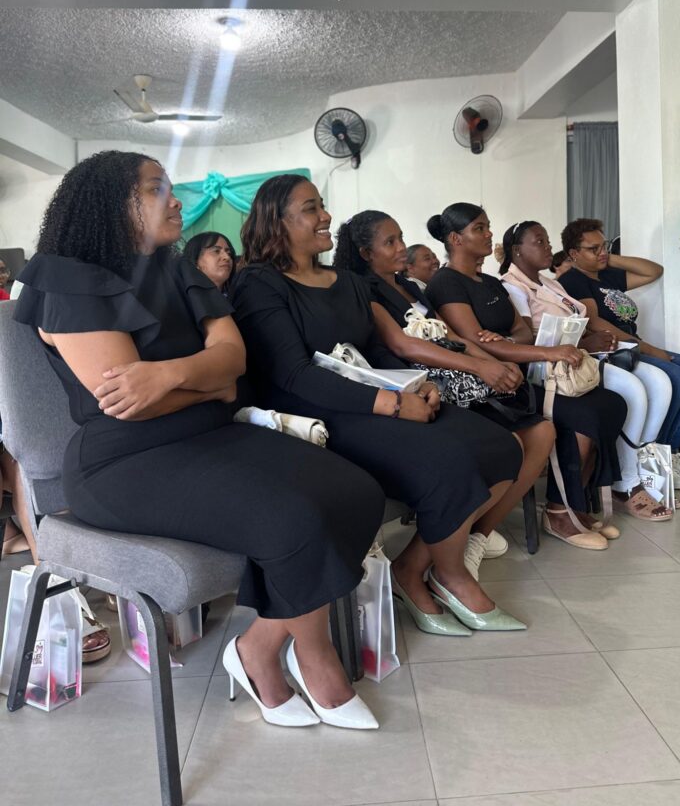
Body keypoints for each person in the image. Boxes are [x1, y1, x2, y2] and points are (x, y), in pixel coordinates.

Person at [15, 151, 384, 730]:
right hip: (123, 460)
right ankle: (315, 658)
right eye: (156, 187)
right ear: (111, 202)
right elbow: (132, 404)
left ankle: (257, 647)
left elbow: (233, 360)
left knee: (357, 490)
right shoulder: (66, 277)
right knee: (290, 518)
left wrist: (169, 374)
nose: (177, 199)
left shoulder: (174, 266)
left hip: (212, 433)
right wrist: (209, 385)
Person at [232, 174, 538, 636]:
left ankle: (413, 568)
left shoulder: (348, 283)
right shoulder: (259, 283)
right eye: (311, 208)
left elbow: (375, 351)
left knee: (501, 447)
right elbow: (293, 374)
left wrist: (417, 385)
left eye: (322, 205)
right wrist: (391, 405)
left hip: (376, 396)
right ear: (276, 221)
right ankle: (452, 575)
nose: (326, 216)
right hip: (317, 413)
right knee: (448, 460)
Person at [331, 209, 556, 576]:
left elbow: (449, 335)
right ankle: (450, 541)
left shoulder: (409, 285)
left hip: (458, 373)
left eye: (401, 238)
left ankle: (478, 534)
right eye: (391, 242)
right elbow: (403, 345)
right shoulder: (365, 290)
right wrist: (480, 367)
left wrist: (494, 363)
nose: (401, 247)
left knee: (543, 431)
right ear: (366, 253)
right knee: (510, 444)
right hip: (423, 383)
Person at [425, 203, 628, 550]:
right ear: (456, 239)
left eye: (488, 226)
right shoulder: (446, 282)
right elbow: (473, 341)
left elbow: (521, 331)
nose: (489, 234)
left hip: (521, 375)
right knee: (582, 416)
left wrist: (503, 340)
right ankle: (558, 511)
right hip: (491, 387)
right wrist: (543, 351)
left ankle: (575, 503)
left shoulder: (491, 282)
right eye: (479, 228)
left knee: (611, 403)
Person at [498, 221, 675, 522]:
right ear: (517, 250)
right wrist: (585, 342)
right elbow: (527, 338)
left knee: (660, 382)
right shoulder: (513, 286)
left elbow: (579, 320)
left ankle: (642, 468)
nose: (548, 247)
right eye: (539, 242)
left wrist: (595, 339)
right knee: (633, 391)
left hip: (582, 357)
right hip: (551, 370)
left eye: (547, 240)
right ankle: (627, 482)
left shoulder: (550, 283)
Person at [559, 218, 680, 487]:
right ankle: (656, 459)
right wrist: (649, 349)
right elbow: (594, 322)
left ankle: (668, 452)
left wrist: (608, 257)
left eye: (604, 245)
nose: (601, 252)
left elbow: (654, 271)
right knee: (676, 376)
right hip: (616, 349)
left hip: (635, 344)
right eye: (593, 249)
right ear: (573, 254)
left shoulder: (606, 275)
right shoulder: (573, 280)